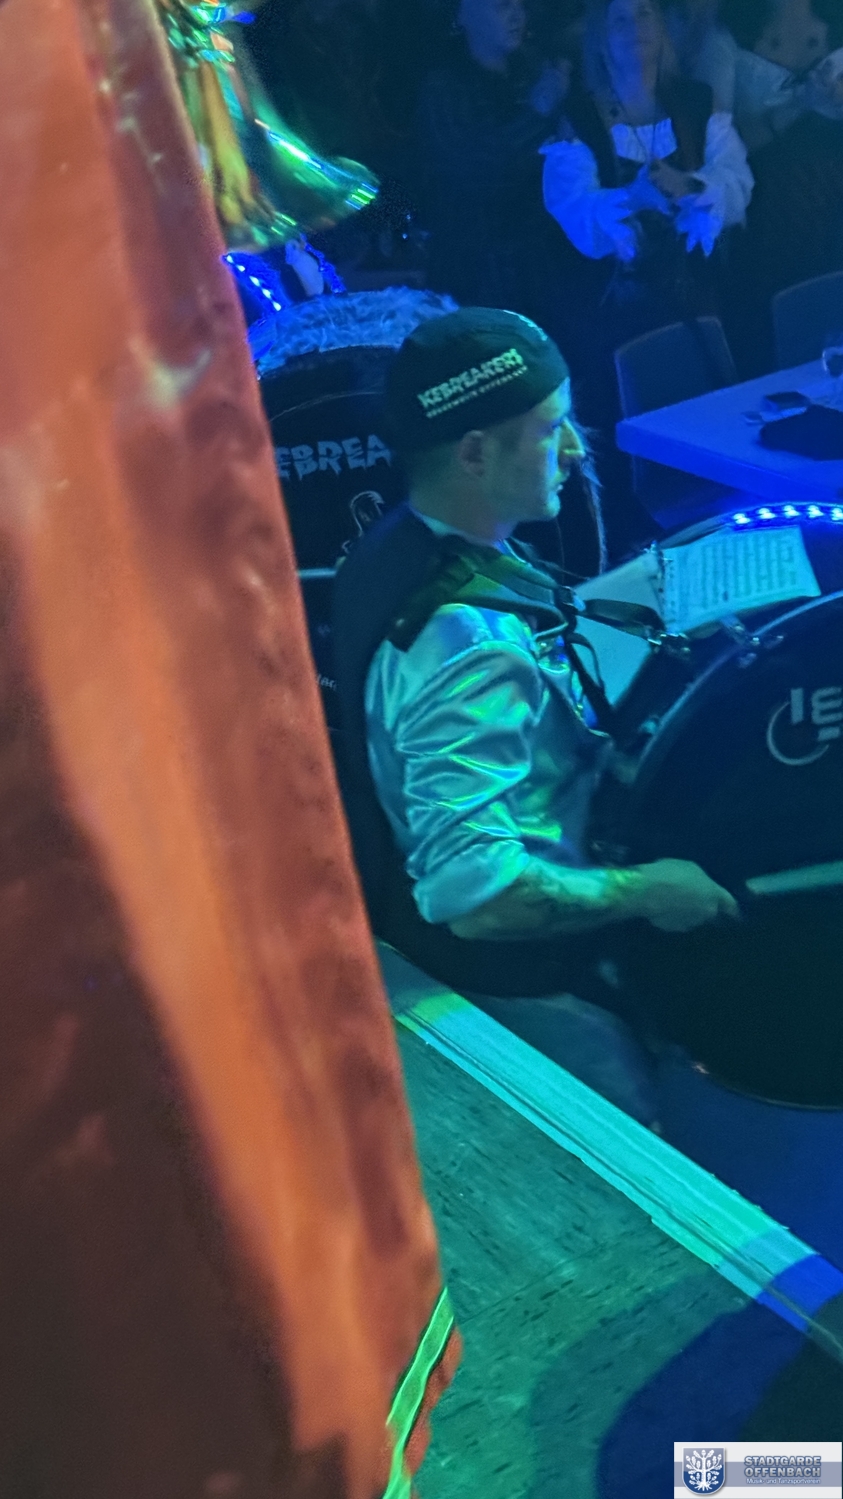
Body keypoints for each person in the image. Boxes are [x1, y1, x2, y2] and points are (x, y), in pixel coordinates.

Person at [333, 308, 738, 1028]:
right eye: (552, 430)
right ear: (474, 454)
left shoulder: (400, 545)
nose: (576, 449)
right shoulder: (466, 642)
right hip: (531, 989)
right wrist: (649, 890)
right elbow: (478, 896)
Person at [412, 0, 577, 324]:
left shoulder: (533, 70)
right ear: (461, 13)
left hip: (548, 265)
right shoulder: (443, 89)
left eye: (520, 3)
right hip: (481, 276)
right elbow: (475, 170)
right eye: (501, 4)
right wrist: (539, 112)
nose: (517, 13)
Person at [718, 0, 843, 371]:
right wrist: (803, 101)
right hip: (768, 204)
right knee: (774, 341)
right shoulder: (729, 30)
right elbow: (720, 141)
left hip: (833, 194)